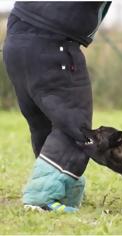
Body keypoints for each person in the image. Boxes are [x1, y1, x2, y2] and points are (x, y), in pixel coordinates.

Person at [3, 1, 112, 212]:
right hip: (53, 45)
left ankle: (62, 192)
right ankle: (42, 198)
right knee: (75, 125)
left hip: (16, 43)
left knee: (43, 122)